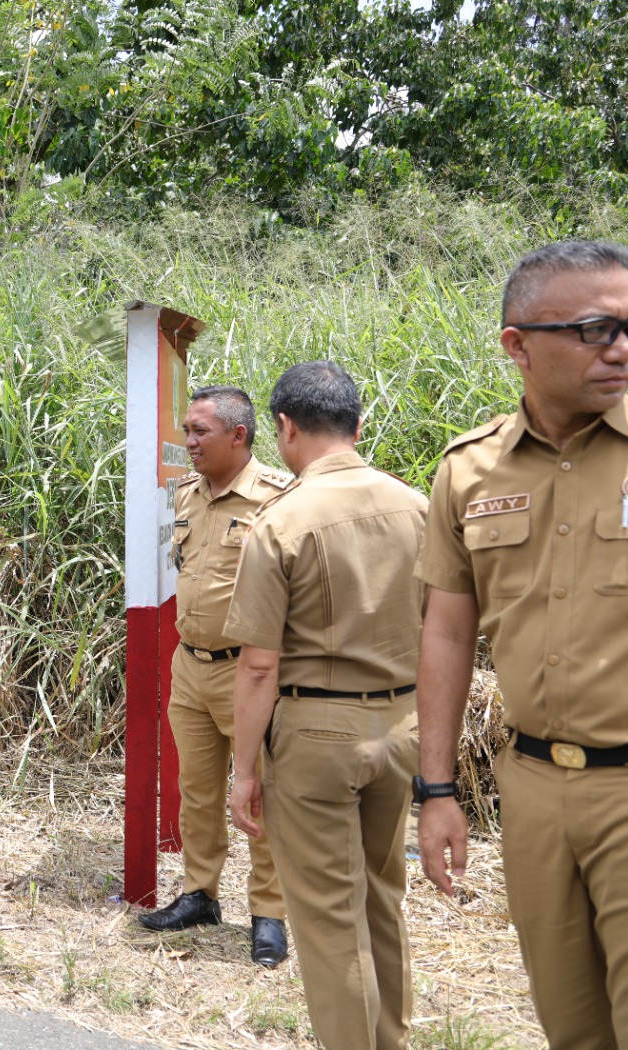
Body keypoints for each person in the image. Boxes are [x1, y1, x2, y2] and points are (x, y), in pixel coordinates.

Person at [415, 241, 628, 1050]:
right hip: (537, 792)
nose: (622, 348)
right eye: (593, 329)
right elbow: (446, 630)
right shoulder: (469, 470)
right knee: (572, 1028)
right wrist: (435, 789)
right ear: (517, 343)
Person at [226, 361, 426, 1050]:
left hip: (316, 733)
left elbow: (257, 666)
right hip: (401, 725)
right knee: (381, 900)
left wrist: (243, 769)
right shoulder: (416, 506)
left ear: (283, 428)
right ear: (358, 426)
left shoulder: (280, 522)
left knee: (330, 924)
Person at [137, 386, 290, 968]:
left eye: (200, 431)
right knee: (197, 793)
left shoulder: (278, 499)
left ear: (238, 436)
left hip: (249, 673)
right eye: (186, 430)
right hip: (191, 666)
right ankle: (200, 894)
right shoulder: (186, 497)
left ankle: (268, 913)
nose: (189, 442)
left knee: (260, 796)